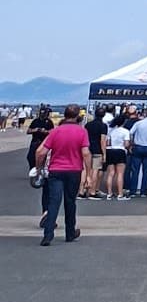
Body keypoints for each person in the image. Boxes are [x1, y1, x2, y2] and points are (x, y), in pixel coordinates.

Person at [37, 103, 90, 245]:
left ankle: (48, 234)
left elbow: (40, 152)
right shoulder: (81, 132)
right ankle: (70, 232)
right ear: (78, 116)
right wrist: (89, 173)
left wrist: (38, 168)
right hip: (74, 170)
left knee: (54, 201)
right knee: (70, 201)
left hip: (56, 170)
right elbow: (85, 153)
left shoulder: (55, 131)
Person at [103, 113, 130, 201]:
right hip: (120, 151)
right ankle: (120, 194)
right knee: (120, 174)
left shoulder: (111, 130)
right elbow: (126, 144)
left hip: (111, 151)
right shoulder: (125, 131)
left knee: (110, 173)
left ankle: (109, 193)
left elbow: (108, 143)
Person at [84, 108, 108, 198]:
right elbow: (103, 141)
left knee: (86, 170)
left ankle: (82, 190)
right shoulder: (103, 126)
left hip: (88, 148)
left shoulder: (88, 125)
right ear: (103, 115)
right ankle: (92, 191)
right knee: (95, 171)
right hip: (97, 150)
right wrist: (104, 153)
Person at [26, 104, 53, 171]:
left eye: (44, 113)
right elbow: (28, 131)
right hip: (35, 141)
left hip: (44, 142)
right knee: (30, 157)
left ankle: (41, 170)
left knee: (43, 157)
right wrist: (35, 130)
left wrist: (45, 131)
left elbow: (52, 132)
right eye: (41, 113)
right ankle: (33, 169)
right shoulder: (35, 121)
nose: (42, 114)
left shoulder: (49, 122)